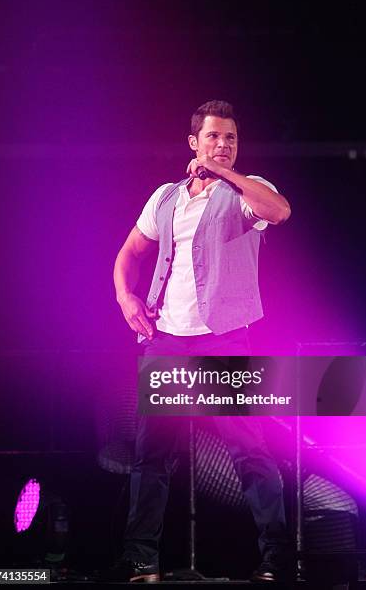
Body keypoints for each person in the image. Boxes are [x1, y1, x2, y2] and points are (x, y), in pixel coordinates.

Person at [112, 100, 292, 582]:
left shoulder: (247, 192)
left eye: (231, 138)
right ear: (193, 142)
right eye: (213, 137)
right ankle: (141, 560)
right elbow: (128, 253)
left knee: (249, 451)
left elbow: (279, 211)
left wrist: (224, 174)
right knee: (151, 457)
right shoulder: (166, 197)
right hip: (167, 340)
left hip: (224, 339)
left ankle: (277, 561)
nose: (223, 145)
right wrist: (127, 299)